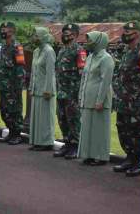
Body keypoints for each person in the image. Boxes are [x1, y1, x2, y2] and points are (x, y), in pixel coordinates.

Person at [112, 21, 140, 177]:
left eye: (130, 33)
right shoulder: (126, 51)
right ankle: (129, 157)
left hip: (135, 100)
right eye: (125, 32)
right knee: (122, 129)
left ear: (138, 34)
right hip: (123, 99)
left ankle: (137, 162)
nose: (126, 35)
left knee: (136, 131)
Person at [78, 31, 115, 166]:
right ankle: (88, 154)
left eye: (90, 41)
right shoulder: (90, 57)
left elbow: (105, 81)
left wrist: (100, 100)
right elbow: (84, 78)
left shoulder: (106, 58)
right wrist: (81, 96)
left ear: (98, 42)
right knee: (88, 128)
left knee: (99, 129)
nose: (87, 44)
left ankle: (100, 156)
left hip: (100, 100)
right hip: (88, 99)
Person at [54, 23, 85, 159]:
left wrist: (78, 93)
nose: (66, 36)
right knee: (62, 119)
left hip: (72, 92)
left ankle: (75, 145)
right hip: (61, 91)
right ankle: (67, 143)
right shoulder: (61, 51)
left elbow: (82, 74)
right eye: (64, 33)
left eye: (69, 34)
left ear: (76, 35)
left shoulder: (79, 51)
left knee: (73, 119)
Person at [0, 22, 25, 145]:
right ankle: (11, 131)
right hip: (4, 85)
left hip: (13, 86)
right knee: (4, 109)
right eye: (2, 29)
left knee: (15, 110)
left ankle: (17, 134)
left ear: (12, 31)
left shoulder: (17, 47)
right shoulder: (4, 46)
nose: (3, 31)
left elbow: (20, 68)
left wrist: (18, 87)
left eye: (6, 29)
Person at [28, 27, 56, 151]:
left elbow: (51, 72)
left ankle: (46, 142)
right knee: (37, 117)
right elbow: (33, 71)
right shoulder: (36, 51)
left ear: (43, 36)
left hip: (46, 90)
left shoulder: (49, 51)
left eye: (37, 35)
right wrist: (30, 87)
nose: (34, 38)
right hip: (36, 88)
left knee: (45, 118)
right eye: (34, 35)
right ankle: (37, 141)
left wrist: (48, 89)